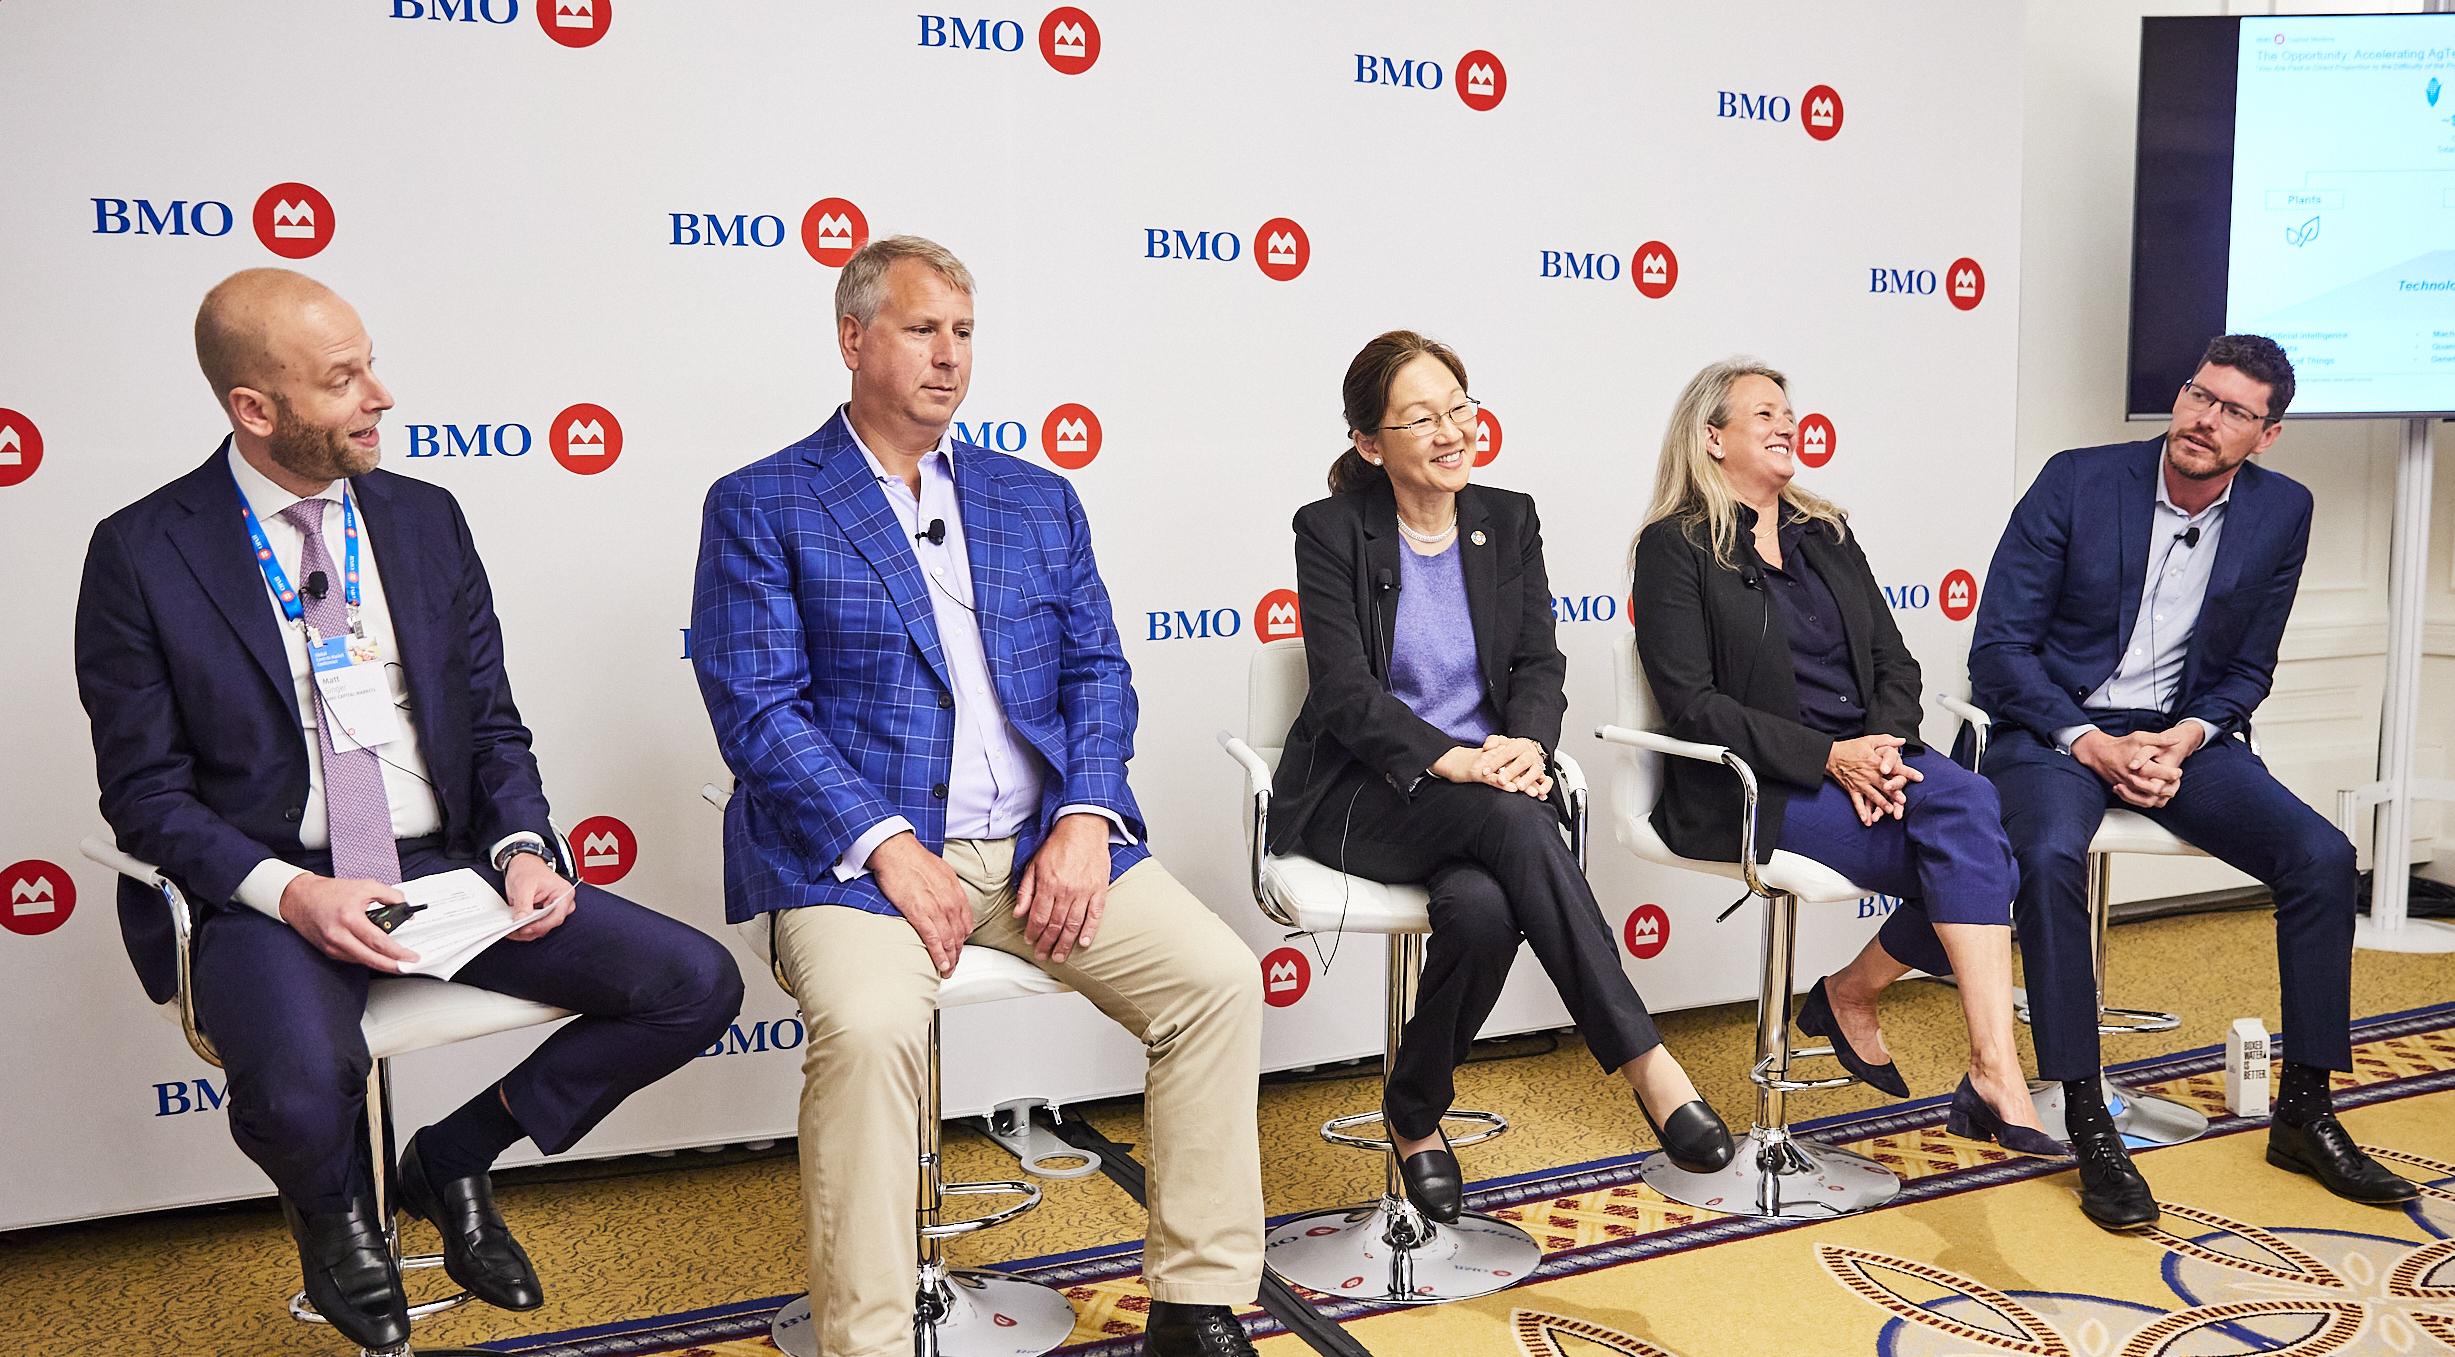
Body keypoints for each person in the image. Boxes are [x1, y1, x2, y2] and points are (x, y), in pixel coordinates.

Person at [73, 269, 744, 1351]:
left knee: (691, 982)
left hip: (440, 868)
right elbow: (144, 797)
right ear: (256, 409)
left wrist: (523, 846)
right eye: (344, 380)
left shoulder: (426, 520)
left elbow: (490, 727)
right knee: (300, 1094)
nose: (380, 395)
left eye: (370, 363)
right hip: (260, 890)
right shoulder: (143, 552)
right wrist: (293, 892)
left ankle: (456, 1155)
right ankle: (339, 1216)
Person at [690, 235, 1265, 1357]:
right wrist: (886, 842)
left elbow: (1098, 672)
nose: (948, 356)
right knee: (865, 1027)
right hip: (858, 865)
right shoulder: (763, 501)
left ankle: (1196, 1306)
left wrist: (1087, 818)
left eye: (962, 332)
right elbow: (757, 708)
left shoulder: (1035, 498)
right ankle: (869, 1335)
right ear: (854, 338)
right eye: (920, 329)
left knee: (1218, 979)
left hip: (1043, 847)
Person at [1269, 330, 1735, 1224]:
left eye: (1460, 406)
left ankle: (1411, 1111)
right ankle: (1648, 1065)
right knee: (1519, 826)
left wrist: (1526, 741)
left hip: (1487, 796)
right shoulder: (1330, 531)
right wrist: (1454, 757)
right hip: (1365, 793)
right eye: (1420, 418)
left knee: (1483, 908)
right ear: (1371, 443)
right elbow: (1343, 690)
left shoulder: (1507, 518)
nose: (1452, 430)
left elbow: (1536, 661)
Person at [1969, 334, 2414, 1229]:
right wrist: (2089, 740)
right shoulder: (2078, 480)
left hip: (2181, 741)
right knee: (2049, 854)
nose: (2204, 420)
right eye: (2198, 396)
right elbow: (1998, 651)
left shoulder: (2281, 510)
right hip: (2054, 731)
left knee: (2321, 856)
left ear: (2268, 434)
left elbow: (2249, 667)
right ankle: (2087, 1115)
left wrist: (2184, 735)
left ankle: (2305, 1109)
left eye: (2233, 411)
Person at [1631, 357, 2064, 1160]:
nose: (1785, 423)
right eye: (1762, 414)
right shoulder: (1674, 547)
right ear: (1711, 437)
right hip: (1759, 783)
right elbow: (1695, 702)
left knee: (1969, 807)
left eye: (1786, 410)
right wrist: (1831, 757)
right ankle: (1961, 1055)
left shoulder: (1823, 533)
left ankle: (1901, 1021)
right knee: (1983, 857)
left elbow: (1895, 663)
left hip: (1870, 760)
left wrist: (1886, 751)